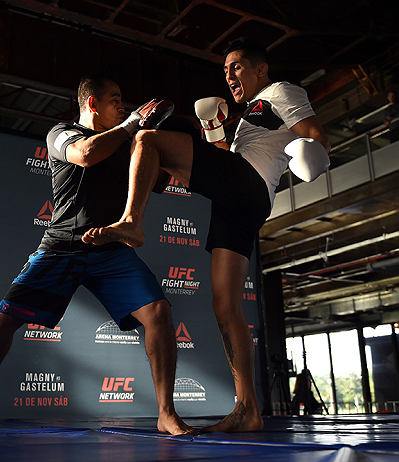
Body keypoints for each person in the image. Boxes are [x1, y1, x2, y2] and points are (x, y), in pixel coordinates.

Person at [82, 37, 331, 433]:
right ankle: (247, 408)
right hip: (241, 200)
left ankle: (131, 220)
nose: (229, 74)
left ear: (260, 70)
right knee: (225, 304)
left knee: (148, 139)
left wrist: (314, 155)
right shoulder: (249, 115)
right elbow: (225, 163)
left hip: (249, 184)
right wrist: (214, 129)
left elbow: (316, 135)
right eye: (226, 69)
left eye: (237, 66)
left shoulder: (280, 92)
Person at [0, 74, 195, 435]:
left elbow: (158, 182)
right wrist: (131, 126)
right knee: (2, 323)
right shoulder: (63, 133)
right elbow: (86, 154)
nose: (123, 105)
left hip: (110, 247)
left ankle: (166, 413)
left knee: (158, 311)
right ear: (92, 103)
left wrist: (161, 139)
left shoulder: (128, 144)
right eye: (116, 98)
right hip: (61, 245)